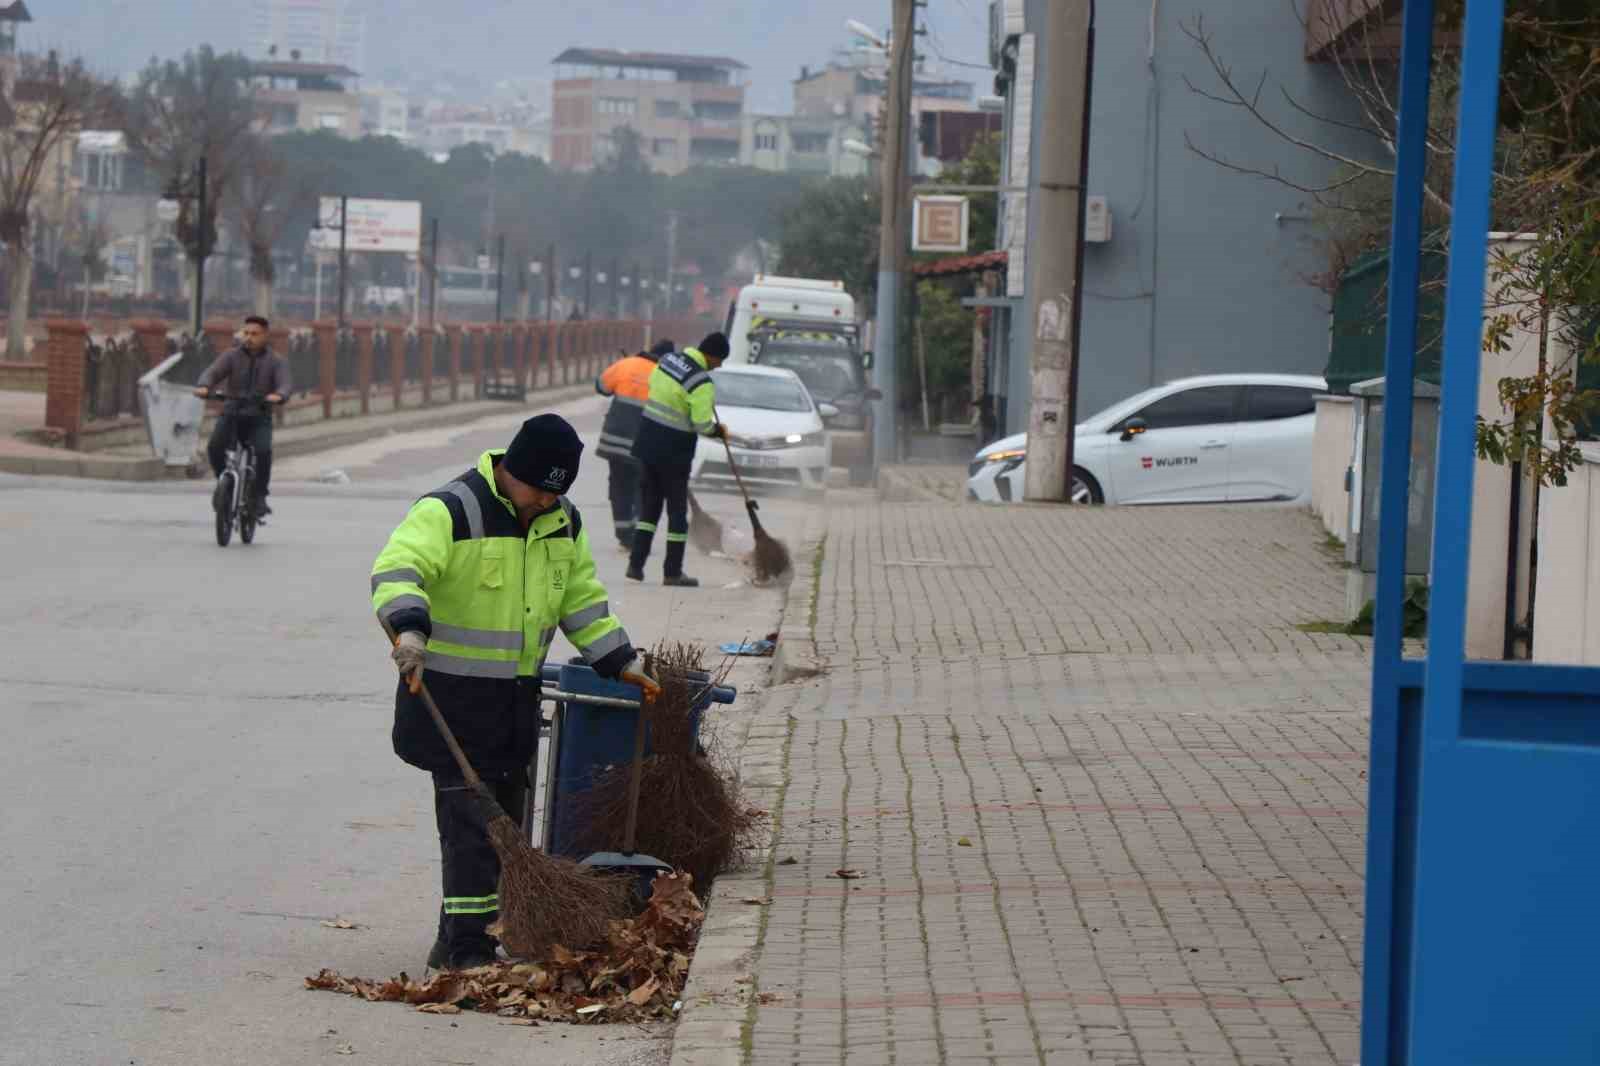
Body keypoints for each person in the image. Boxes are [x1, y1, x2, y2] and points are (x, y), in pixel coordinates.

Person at [371, 413, 660, 971]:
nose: (547, 502)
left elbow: (579, 598)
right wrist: (409, 628)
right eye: (539, 490)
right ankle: (468, 949)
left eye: (558, 493)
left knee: (505, 823)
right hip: (449, 698)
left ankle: (456, 933)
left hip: (513, 701)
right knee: (471, 828)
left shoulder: (562, 519)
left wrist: (621, 660)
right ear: (510, 469)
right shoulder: (451, 510)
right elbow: (397, 568)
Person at [627, 331, 729, 587]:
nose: (719, 366)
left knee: (649, 509)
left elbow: (656, 390)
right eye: (719, 361)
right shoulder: (701, 382)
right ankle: (672, 572)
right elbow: (702, 424)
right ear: (712, 356)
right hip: (674, 453)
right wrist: (719, 431)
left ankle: (635, 566)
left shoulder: (668, 360)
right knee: (677, 515)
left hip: (648, 444)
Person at [194, 315, 289, 516]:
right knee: (214, 447)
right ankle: (224, 484)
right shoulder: (231, 356)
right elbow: (213, 371)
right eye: (246, 333)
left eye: (254, 334)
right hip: (232, 412)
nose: (248, 337)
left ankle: (260, 496)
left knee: (263, 451)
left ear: (265, 336)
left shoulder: (276, 361)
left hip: (259, 416)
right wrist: (204, 385)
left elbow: (284, 384)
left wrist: (278, 395)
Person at [594, 339, 672, 550]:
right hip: (643, 446)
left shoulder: (625, 364)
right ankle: (638, 532)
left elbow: (601, 386)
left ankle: (623, 533)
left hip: (614, 442)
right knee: (642, 487)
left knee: (619, 486)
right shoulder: (665, 377)